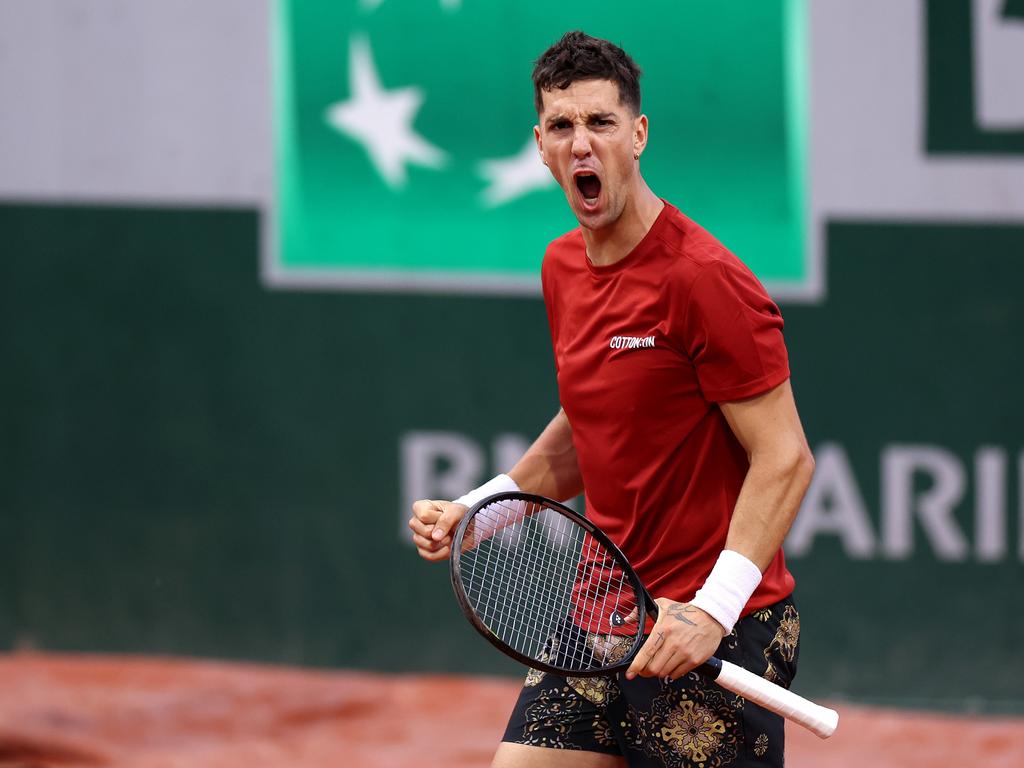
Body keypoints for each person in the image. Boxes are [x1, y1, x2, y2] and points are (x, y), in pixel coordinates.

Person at [409, 30, 814, 768]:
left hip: (715, 626)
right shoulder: (563, 266)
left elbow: (785, 458)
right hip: (604, 612)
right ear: (540, 145)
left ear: (638, 134)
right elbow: (587, 427)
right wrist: (482, 506)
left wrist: (710, 611)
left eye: (600, 123)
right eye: (562, 126)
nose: (582, 144)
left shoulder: (704, 279)